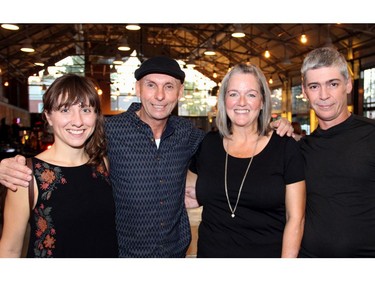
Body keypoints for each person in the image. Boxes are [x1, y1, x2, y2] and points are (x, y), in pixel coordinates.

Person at [0, 56, 294, 258]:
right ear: (137, 88)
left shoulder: (189, 134)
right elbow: (66, 153)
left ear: (179, 92)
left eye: (169, 87)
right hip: (122, 257)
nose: (159, 95)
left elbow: (235, 143)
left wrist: (273, 126)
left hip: (175, 256)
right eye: (151, 85)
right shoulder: (108, 130)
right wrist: (5, 165)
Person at [186, 63, 306, 258]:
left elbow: (296, 219)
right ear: (224, 100)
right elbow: (184, 191)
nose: (241, 102)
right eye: (233, 94)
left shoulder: (284, 147)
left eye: (250, 94)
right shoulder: (208, 144)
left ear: (262, 102)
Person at [0, 74, 118, 258]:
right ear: (48, 116)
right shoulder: (26, 176)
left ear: (96, 115)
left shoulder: (104, 164)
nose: (77, 121)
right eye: (65, 110)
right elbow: (10, 250)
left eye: (86, 110)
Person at [298, 47, 375, 258]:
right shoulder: (300, 148)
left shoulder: (371, 135)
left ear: (348, 85)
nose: (324, 96)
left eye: (333, 84)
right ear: (304, 92)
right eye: (314, 86)